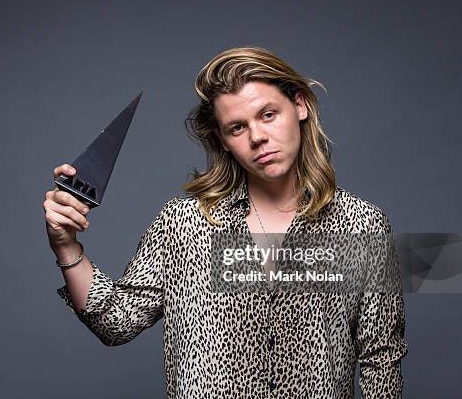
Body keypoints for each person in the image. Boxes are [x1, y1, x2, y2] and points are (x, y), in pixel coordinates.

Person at [43, 47, 408, 399]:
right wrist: (66, 245)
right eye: (237, 127)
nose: (257, 137)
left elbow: (382, 358)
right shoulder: (184, 224)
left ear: (300, 106)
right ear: (223, 139)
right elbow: (116, 324)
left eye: (268, 114)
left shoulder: (362, 225)